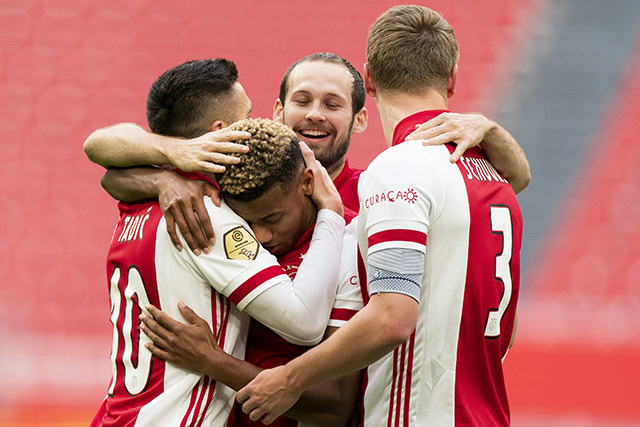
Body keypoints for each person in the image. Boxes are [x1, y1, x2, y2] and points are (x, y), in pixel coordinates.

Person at [236, 6, 523, 426]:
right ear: (452, 78)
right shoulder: (496, 178)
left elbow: (393, 317)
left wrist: (289, 379)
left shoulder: (398, 170)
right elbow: (505, 332)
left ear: (368, 80)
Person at [90, 59, 350, 426]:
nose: (257, 125)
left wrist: (164, 176)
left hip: (120, 415)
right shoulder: (203, 213)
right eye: (248, 116)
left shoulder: (138, 198)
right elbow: (304, 322)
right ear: (222, 131)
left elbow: (103, 160)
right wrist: (331, 213)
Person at [83, 53, 530, 255]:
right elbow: (105, 160)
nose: (314, 114)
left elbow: (517, 179)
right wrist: (167, 171)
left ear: (359, 119)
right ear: (277, 111)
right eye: (302, 100)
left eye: (332, 104)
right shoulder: (233, 172)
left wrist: (490, 129)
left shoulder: (381, 189)